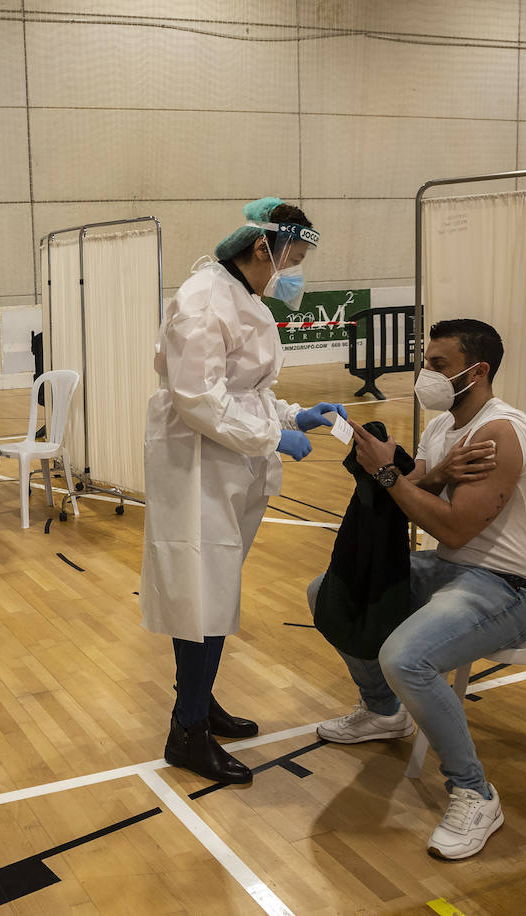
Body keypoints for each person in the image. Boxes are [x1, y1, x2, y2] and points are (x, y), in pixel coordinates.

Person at [309, 318, 526, 861]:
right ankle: (382, 711)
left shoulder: (499, 432)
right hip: (451, 572)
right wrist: (428, 468)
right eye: (427, 362)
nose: (427, 374)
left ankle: (475, 792)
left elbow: (451, 526)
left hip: (511, 589)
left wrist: (391, 476)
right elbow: (422, 486)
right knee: (327, 590)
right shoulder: (444, 427)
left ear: (478, 370)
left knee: (406, 657)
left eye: (439, 365)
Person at [140, 197, 346, 784]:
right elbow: (199, 398)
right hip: (197, 465)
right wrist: (271, 437)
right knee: (201, 595)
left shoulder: (242, 297)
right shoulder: (203, 301)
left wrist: (294, 416)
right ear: (263, 248)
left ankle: (199, 703)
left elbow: (244, 389)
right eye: (293, 258)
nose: (295, 271)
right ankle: (187, 732)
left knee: (212, 589)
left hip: (227, 463)